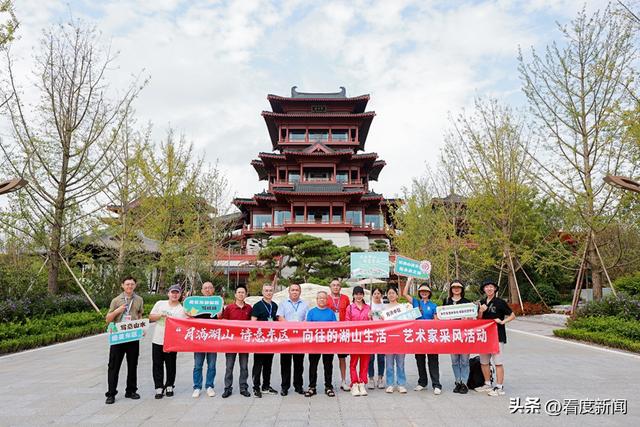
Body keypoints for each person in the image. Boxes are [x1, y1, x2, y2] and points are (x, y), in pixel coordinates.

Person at [104, 276, 144, 404]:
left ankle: (131, 390)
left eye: (132, 284)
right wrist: (117, 311)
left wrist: (141, 327)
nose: (130, 286)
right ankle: (111, 393)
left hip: (132, 336)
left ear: (135, 286)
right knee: (114, 366)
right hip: (118, 337)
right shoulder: (116, 300)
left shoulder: (139, 299)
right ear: (122, 285)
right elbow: (108, 319)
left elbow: (139, 315)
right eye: (127, 284)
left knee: (133, 364)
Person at [475, 279, 516, 397]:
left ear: (495, 289)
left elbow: (513, 315)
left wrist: (503, 322)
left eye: (491, 287)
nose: (489, 289)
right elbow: (479, 319)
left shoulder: (500, 302)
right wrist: (481, 311)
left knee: (498, 362)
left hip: (497, 336)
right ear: (483, 289)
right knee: (484, 362)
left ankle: (499, 387)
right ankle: (487, 384)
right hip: (484, 336)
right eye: (486, 287)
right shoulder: (482, 302)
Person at [403, 277, 442, 395]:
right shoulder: (416, 302)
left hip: (430, 336)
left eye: (426, 291)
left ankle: (436, 384)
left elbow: (436, 320)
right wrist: (409, 280)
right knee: (419, 360)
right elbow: (404, 293)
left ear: (429, 293)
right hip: (418, 336)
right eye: (421, 291)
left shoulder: (434, 305)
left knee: (433, 360)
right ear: (419, 293)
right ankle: (422, 382)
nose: (424, 293)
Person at [149, 284, 188, 399]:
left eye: (177, 293)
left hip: (172, 341)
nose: (174, 295)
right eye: (172, 292)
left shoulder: (182, 309)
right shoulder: (160, 304)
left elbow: (186, 324)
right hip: (157, 339)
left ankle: (170, 385)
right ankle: (159, 387)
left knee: (171, 364)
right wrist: (160, 315)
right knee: (157, 364)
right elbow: (151, 317)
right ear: (168, 294)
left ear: (180, 295)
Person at [219, 285, 253, 398]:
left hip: (244, 342)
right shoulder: (229, 308)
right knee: (229, 366)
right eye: (239, 292)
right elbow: (223, 322)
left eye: (243, 292)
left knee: (244, 366)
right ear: (235, 294)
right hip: (231, 342)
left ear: (246, 294)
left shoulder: (249, 308)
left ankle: (243, 387)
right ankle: (227, 388)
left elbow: (253, 324)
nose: (241, 294)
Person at [276, 282, 309, 396]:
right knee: (285, 363)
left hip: (299, 338)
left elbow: (307, 319)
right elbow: (280, 317)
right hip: (286, 337)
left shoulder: (305, 304)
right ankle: (284, 387)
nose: (294, 292)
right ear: (289, 291)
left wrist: (299, 327)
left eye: (297, 290)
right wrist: (291, 327)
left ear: (300, 292)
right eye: (292, 290)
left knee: (299, 363)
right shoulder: (283, 303)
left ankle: (298, 386)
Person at [441, 279, 471, 394]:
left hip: (464, 335)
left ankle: (464, 383)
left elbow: (472, 318)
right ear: (451, 289)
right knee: (454, 361)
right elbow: (442, 317)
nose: (456, 289)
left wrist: (467, 318)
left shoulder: (467, 302)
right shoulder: (446, 301)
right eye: (454, 287)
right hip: (451, 335)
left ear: (462, 289)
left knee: (464, 360)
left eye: (458, 287)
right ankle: (457, 381)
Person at [305, 291, 337, 397]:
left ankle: (328, 386)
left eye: (324, 298)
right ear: (316, 299)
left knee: (328, 366)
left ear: (327, 300)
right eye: (320, 298)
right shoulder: (311, 312)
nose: (322, 300)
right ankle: (312, 387)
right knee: (313, 366)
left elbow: (335, 328)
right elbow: (307, 328)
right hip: (314, 344)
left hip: (328, 344)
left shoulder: (331, 313)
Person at [188, 281, 218, 398]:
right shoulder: (196, 304)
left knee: (212, 364)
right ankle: (197, 387)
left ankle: (209, 386)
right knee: (198, 364)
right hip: (199, 338)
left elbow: (220, 318)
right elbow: (192, 316)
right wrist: (189, 313)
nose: (207, 290)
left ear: (213, 290)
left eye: (210, 288)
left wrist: (220, 313)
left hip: (212, 338)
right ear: (201, 290)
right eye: (205, 288)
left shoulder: (217, 303)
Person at [250, 282, 279, 398]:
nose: (268, 293)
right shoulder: (257, 306)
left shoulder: (275, 306)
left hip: (271, 340)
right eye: (266, 290)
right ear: (262, 292)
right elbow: (253, 322)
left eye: (270, 291)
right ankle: (256, 387)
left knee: (268, 364)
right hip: (260, 340)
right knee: (258, 364)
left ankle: (266, 386)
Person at [325, 278, 351, 391]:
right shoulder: (326, 298)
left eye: (338, 285)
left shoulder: (345, 298)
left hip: (342, 331)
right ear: (330, 287)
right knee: (328, 359)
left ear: (340, 287)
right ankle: (328, 383)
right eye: (333, 285)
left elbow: (349, 312)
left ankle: (344, 381)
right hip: (330, 332)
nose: (336, 287)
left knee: (342, 358)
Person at [345, 286, 371, 397]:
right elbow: (347, 323)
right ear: (353, 295)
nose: (359, 296)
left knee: (365, 362)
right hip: (354, 339)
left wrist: (371, 317)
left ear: (363, 295)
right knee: (353, 362)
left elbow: (374, 324)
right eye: (356, 294)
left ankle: (362, 383)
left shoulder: (368, 308)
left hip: (366, 339)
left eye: (360, 294)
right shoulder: (350, 308)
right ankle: (354, 383)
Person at [384, 285, 407, 394]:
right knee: (389, 364)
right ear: (387, 295)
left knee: (400, 363)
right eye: (389, 293)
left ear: (397, 295)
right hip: (388, 339)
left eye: (393, 293)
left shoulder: (403, 307)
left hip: (400, 338)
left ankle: (401, 384)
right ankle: (390, 384)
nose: (391, 295)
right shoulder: (384, 309)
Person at [367, 287, 385, 389]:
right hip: (371, 333)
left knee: (381, 358)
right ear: (372, 295)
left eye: (379, 293)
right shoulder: (369, 305)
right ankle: (371, 378)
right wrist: (368, 315)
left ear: (381, 295)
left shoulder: (384, 306)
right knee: (371, 357)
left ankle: (380, 378)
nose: (377, 295)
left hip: (381, 333)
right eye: (375, 293)